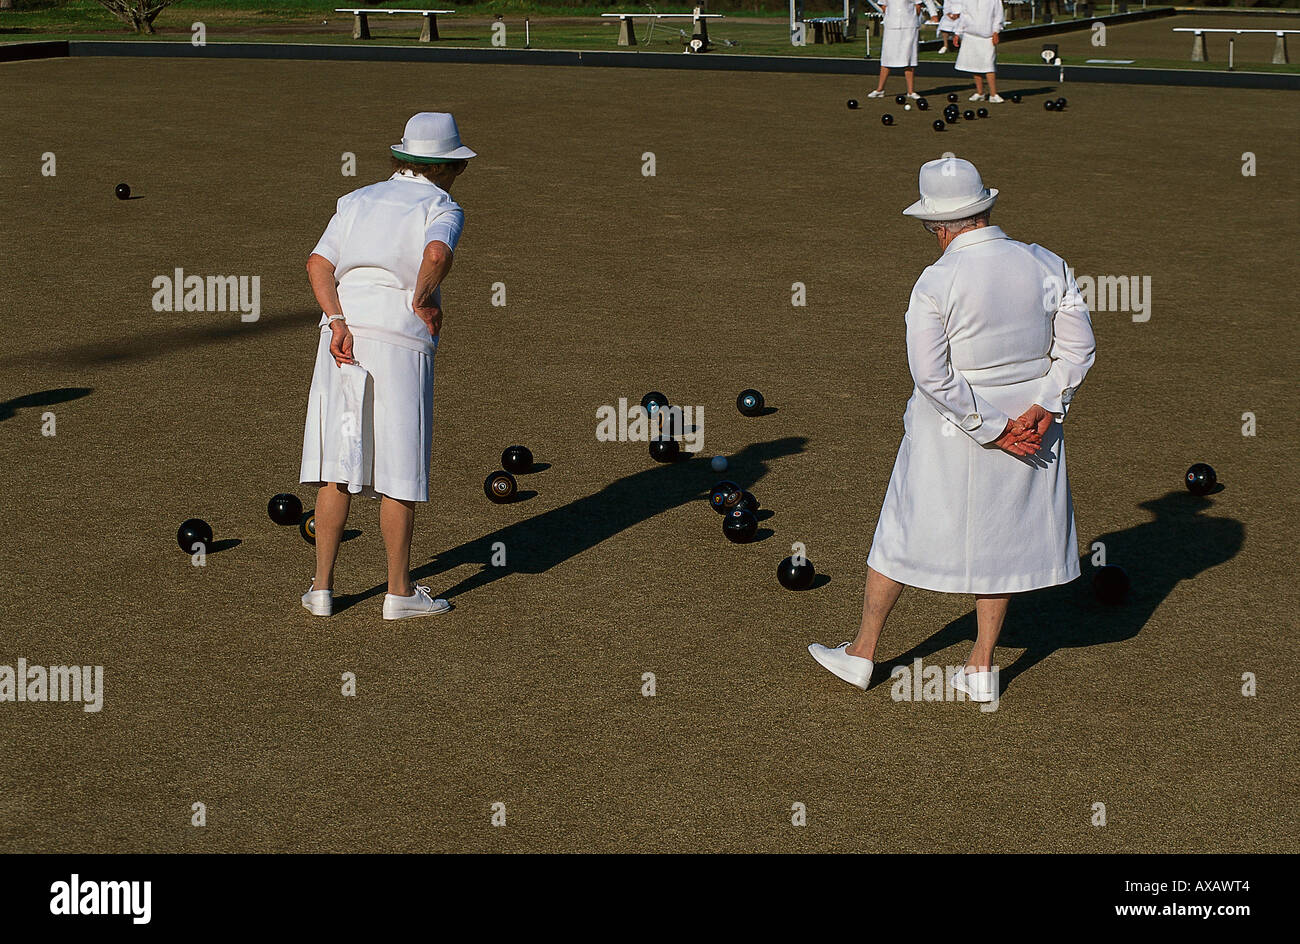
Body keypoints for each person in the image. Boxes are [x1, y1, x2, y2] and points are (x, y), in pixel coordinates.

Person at [809, 158, 1096, 703]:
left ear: (939, 227)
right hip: (1034, 426)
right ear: (984, 208)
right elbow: (1078, 347)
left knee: (900, 529)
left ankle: (862, 653)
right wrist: (1044, 405)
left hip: (952, 428)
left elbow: (931, 374)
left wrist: (988, 427)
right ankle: (981, 665)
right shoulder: (1047, 263)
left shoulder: (937, 279)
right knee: (1002, 538)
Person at [298, 112, 475, 621]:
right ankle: (398, 594)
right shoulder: (442, 205)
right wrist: (423, 299)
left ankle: (321, 591)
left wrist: (336, 321)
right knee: (398, 469)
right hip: (400, 341)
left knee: (338, 465)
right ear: (445, 167)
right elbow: (437, 253)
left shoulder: (356, 200)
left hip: (344, 337)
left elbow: (318, 264)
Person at [867, 0, 925, 100]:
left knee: (908, 58)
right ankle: (880, 90)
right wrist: (892, 16)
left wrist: (910, 17)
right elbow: (883, 5)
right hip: (891, 26)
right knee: (887, 56)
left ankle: (911, 91)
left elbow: (918, 6)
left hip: (909, 26)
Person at [953, 0, 1004, 102]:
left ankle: (993, 94)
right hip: (970, 35)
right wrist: (957, 33)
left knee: (989, 65)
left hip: (987, 36)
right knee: (975, 65)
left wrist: (996, 32)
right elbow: (964, 16)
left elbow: (998, 15)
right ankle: (980, 93)